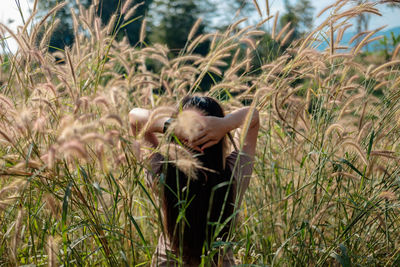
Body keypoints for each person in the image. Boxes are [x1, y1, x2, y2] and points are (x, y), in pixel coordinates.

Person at [129, 96, 259, 266]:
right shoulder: (235, 174)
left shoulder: (161, 172)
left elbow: (134, 117)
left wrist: (171, 125)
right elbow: (253, 116)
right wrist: (224, 124)